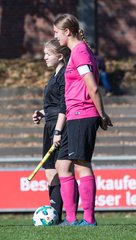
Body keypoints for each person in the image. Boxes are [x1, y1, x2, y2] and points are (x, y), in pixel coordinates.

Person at [53, 13, 113, 226]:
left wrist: (102, 114)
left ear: (67, 32)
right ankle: (70, 219)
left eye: (57, 33)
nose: (56, 37)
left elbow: (93, 86)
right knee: (62, 165)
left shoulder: (79, 52)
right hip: (73, 114)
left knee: (82, 163)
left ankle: (88, 219)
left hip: (83, 113)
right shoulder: (75, 52)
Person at [32, 38, 71, 222]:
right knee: (50, 173)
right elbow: (54, 105)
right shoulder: (53, 75)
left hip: (60, 127)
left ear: (60, 56)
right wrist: (42, 112)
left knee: (62, 171)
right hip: (50, 125)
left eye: (48, 54)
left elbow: (64, 105)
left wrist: (58, 131)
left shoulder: (65, 74)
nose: (44, 58)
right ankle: (55, 216)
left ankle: (67, 215)